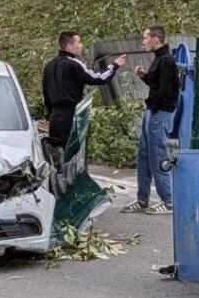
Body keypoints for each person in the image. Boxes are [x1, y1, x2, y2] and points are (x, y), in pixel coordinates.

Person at [121, 25, 179, 215]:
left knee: (157, 155)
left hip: (159, 112)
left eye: (145, 38)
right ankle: (142, 199)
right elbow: (158, 86)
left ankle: (169, 201)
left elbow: (168, 91)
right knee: (144, 155)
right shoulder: (159, 59)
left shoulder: (167, 61)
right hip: (152, 111)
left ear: (156, 39)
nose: (143, 41)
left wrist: (154, 107)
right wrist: (145, 77)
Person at [42, 31, 127, 148]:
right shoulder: (74, 64)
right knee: (71, 153)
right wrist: (114, 65)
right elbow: (96, 78)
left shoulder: (49, 66)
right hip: (70, 116)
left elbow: (46, 93)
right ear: (69, 46)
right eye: (79, 42)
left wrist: (49, 115)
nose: (81, 45)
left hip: (55, 118)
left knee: (56, 153)